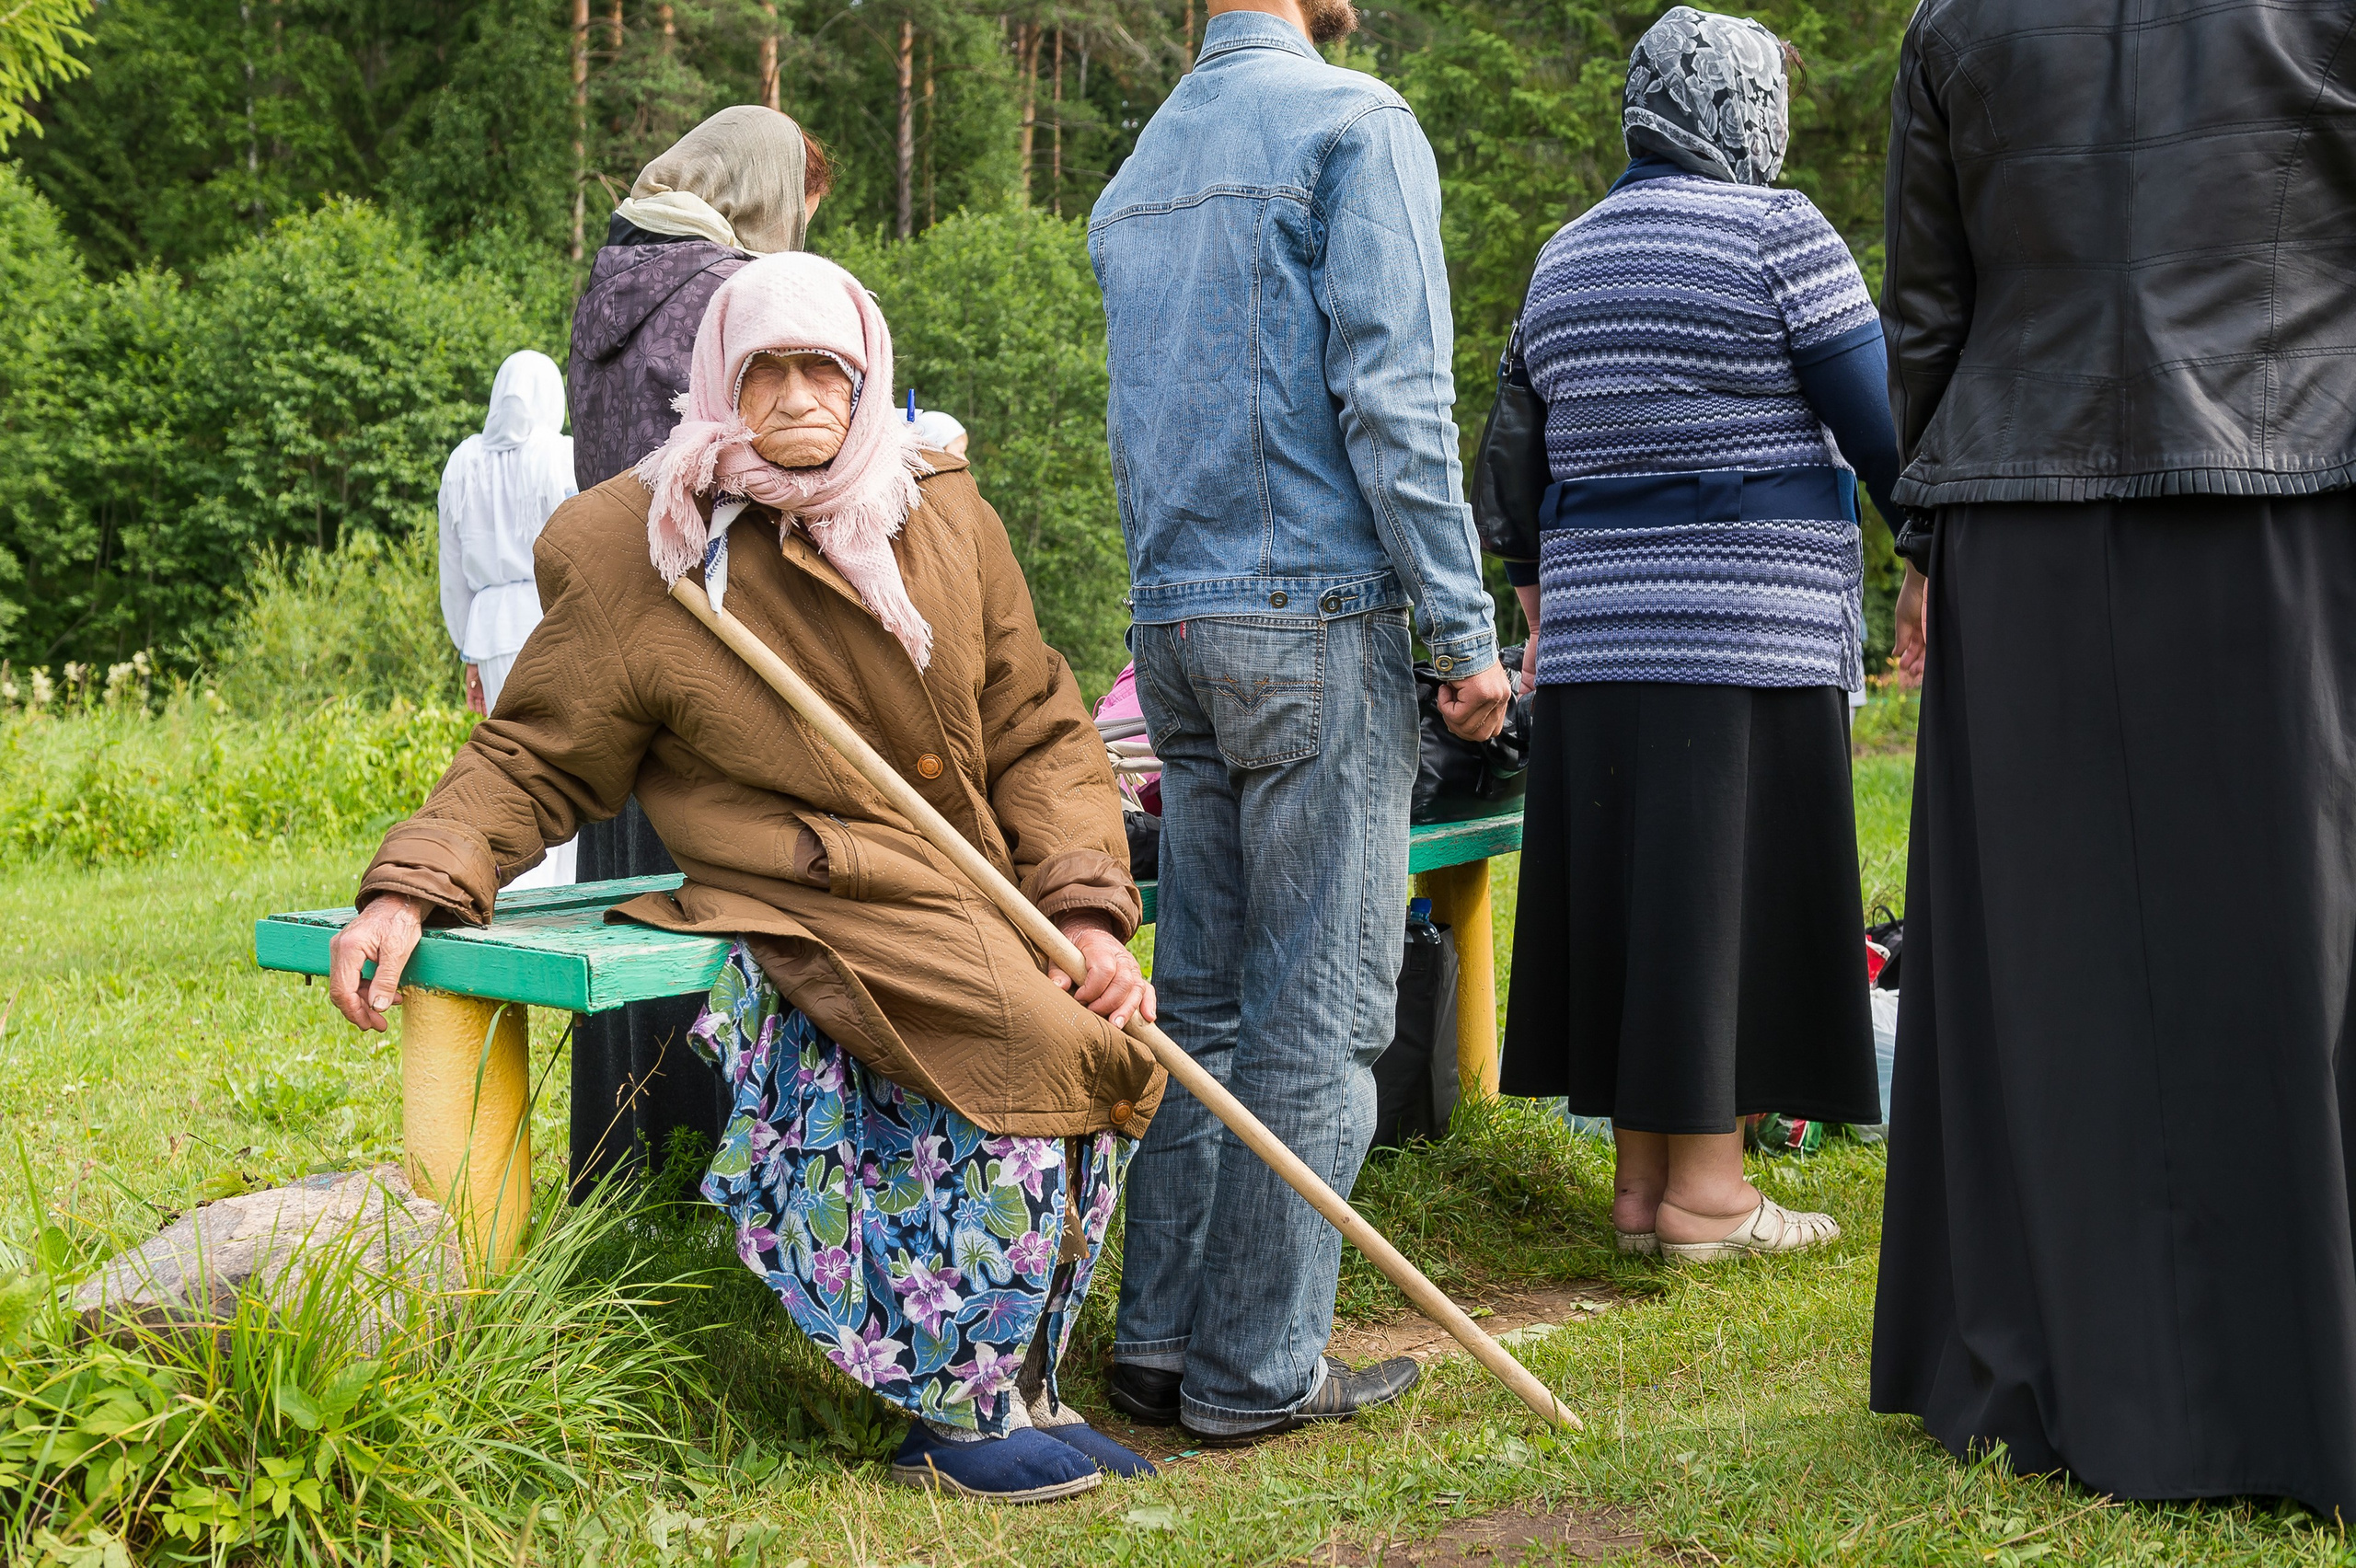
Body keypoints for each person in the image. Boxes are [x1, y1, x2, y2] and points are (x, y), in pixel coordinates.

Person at [330, 251, 1162, 1502]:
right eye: (764, 368)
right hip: (810, 883)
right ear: (720, 380)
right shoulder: (646, 551)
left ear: (867, 371)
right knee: (1025, 1044)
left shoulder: (942, 512)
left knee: (1106, 1036)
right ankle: (947, 1413)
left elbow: (1040, 722)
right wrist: (414, 882)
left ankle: (1022, 1385)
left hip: (970, 877)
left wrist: (1087, 906)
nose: (795, 395)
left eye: (821, 365)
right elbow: (535, 749)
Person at [1872, 0, 2356, 1516]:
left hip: (2029, 513)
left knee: (2053, 959)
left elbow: (1926, 316)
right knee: (2295, 935)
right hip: (2287, 491)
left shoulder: (1961, 23)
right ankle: (2298, 1375)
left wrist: (1927, 531)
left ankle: (2055, 1365)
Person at [1090, 0, 1511, 1443]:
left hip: (1176, 634)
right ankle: (1258, 1372)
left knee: (1203, 1005)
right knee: (1318, 1015)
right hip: (1316, 619)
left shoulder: (1141, 164)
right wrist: (1462, 635)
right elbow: (1397, 397)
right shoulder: (1353, 124)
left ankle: (1158, 1343)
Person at [1495, 7, 1888, 1262]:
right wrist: (1936, 547)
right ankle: (1712, 1198)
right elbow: (1885, 428)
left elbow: (1510, 465)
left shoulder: (1563, 256)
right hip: (1744, 633)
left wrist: (1535, 595)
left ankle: (1640, 1191)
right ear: (1741, 112)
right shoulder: (1780, 233)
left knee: (1638, 904)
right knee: (1723, 909)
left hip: (1601, 641)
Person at [564, 104, 831, 1197]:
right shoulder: (731, 294)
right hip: (717, 647)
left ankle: (630, 1180)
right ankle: (727, 1191)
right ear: (764, 191)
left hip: (615, 638)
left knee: (630, 895)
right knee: (717, 909)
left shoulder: (616, 284)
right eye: (805, 206)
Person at [437, 350, 579, 890]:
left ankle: (512, 882)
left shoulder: (462, 464)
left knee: (510, 767)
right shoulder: (561, 456)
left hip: (491, 628)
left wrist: (467, 650)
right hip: (556, 618)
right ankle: (556, 891)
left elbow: (452, 571)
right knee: (567, 764)